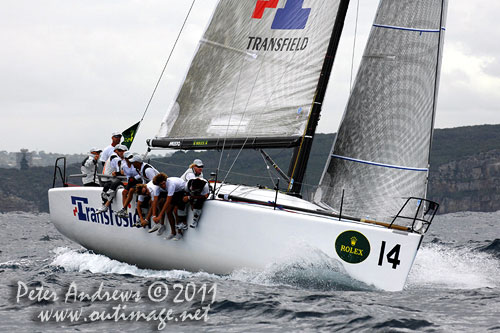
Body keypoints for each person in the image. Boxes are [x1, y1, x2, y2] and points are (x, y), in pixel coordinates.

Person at [152, 173, 187, 241]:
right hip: (173, 192)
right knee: (168, 211)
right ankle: (173, 232)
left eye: (163, 183)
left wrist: (159, 216)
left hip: (181, 190)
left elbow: (168, 201)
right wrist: (154, 215)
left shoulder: (171, 184)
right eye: (161, 185)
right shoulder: (157, 187)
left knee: (175, 211)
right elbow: (155, 201)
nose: (163, 185)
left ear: (165, 181)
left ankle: (179, 233)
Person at [96, 144, 128, 214]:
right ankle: (105, 204)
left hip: (111, 180)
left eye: (124, 151)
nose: (122, 153)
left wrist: (119, 173)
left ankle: (106, 205)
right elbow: (120, 170)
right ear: (115, 151)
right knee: (113, 184)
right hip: (110, 180)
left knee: (115, 184)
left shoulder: (119, 158)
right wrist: (119, 172)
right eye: (120, 151)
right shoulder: (115, 158)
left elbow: (124, 172)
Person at [115, 152, 142, 219]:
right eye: (128, 158)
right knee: (124, 192)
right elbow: (127, 175)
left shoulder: (134, 164)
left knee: (131, 190)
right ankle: (125, 211)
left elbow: (141, 173)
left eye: (130, 157)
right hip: (131, 181)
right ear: (125, 159)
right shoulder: (124, 166)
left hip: (139, 180)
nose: (130, 159)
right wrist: (129, 179)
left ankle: (124, 208)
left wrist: (135, 178)